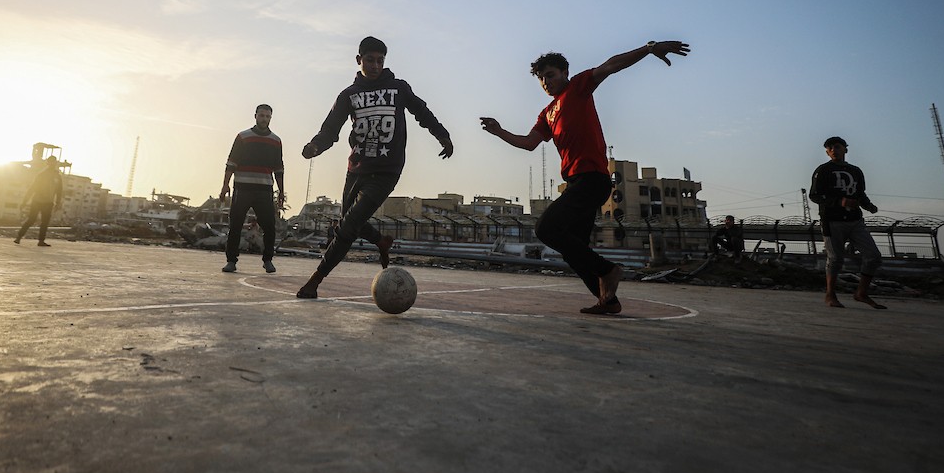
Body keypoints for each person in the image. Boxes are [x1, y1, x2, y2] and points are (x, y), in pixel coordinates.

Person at [480, 40, 690, 315]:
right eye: (541, 79)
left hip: (592, 178)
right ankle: (608, 301)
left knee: (546, 229)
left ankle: (608, 270)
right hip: (575, 183)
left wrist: (648, 49)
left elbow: (611, 65)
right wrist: (499, 132)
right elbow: (529, 143)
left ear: (565, 73)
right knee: (573, 248)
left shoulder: (577, 88)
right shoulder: (547, 113)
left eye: (550, 75)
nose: (546, 82)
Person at [296, 36, 454, 299]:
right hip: (357, 167)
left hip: (386, 169)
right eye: (370, 60)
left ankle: (314, 281)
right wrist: (315, 146)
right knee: (347, 222)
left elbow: (421, 111)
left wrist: (442, 134)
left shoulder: (398, 88)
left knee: (347, 228)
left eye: (380, 60)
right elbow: (330, 130)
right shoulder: (348, 95)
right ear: (359, 60)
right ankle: (380, 241)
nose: (376, 65)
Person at [808, 136, 886, 309]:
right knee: (835, 258)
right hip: (832, 220)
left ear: (845, 149)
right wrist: (838, 202)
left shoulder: (855, 171)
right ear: (827, 153)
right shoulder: (823, 170)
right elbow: (815, 195)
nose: (833, 150)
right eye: (830, 148)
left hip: (855, 220)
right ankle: (830, 294)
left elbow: (860, 193)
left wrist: (868, 206)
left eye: (837, 146)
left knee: (873, 256)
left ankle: (861, 293)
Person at [219, 104, 286, 274]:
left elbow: (279, 168)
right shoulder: (243, 137)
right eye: (261, 115)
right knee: (235, 225)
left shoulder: (276, 141)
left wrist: (281, 192)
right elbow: (231, 162)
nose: (264, 119)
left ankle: (268, 260)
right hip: (242, 188)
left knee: (269, 226)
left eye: (267, 116)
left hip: (264, 189)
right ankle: (231, 261)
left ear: (270, 118)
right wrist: (225, 185)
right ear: (255, 116)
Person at [14, 156, 64, 247]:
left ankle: (41, 241)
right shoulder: (42, 174)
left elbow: (59, 191)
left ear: (56, 163)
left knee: (44, 223)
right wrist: (25, 202)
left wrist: (58, 203)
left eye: (54, 162)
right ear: (47, 163)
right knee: (31, 220)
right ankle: (19, 237)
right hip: (37, 201)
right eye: (50, 162)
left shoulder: (58, 176)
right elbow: (32, 188)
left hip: (49, 203)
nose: (52, 164)